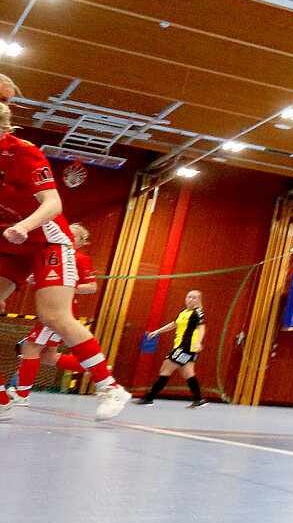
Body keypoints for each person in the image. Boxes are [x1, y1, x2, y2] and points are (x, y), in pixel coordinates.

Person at [0, 103, 130, 421]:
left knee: (53, 314)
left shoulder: (23, 153)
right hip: (7, 246)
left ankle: (110, 387)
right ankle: (4, 400)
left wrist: (25, 226)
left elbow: (53, 203)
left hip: (45, 239)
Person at [8, 223, 98, 407]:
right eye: (67, 233)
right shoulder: (53, 255)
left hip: (59, 310)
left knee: (31, 347)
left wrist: (65, 286)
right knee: (48, 356)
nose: (70, 237)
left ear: (81, 242)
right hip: (48, 308)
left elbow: (91, 287)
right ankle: (96, 368)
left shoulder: (79, 259)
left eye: (75, 236)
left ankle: (22, 394)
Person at [137, 289, 207, 407]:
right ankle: (199, 399)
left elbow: (201, 328)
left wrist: (198, 342)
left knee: (166, 368)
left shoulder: (197, 313)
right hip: (181, 347)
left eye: (194, 298)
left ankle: (149, 398)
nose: (190, 299)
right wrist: (157, 331)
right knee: (188, 373)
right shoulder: (184, 312)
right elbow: (174, 324)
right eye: (188, 297)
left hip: (185, 347)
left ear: (198, 300)